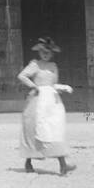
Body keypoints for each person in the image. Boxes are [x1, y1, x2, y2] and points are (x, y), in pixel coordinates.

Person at [18, 38, 73, 175]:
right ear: (39, 52)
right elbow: (22, 76)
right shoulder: (35, 64)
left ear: (52, 53)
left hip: (51, 101)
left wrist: (63, 88)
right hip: (37, 99)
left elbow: (54, 83)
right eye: (43, 52)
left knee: (55, 128)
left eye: (48, 52)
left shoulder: (53, 66)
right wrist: (34, 86)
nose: (45, 54)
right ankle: (28, 161)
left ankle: (62, 163)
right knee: (33, 129)